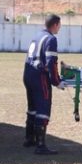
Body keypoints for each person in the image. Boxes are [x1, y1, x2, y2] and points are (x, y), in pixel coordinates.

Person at [23, 14, 63, 155]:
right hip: (40, 77)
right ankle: (40, 145)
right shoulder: (51, 39)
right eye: (60, 25)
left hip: (28, 75)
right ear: (55, 24)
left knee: (32, 107)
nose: (60, 28)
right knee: (43, 109)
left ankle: (29, 138)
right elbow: (51, 63)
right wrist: (56, 82)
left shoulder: (38, 35)